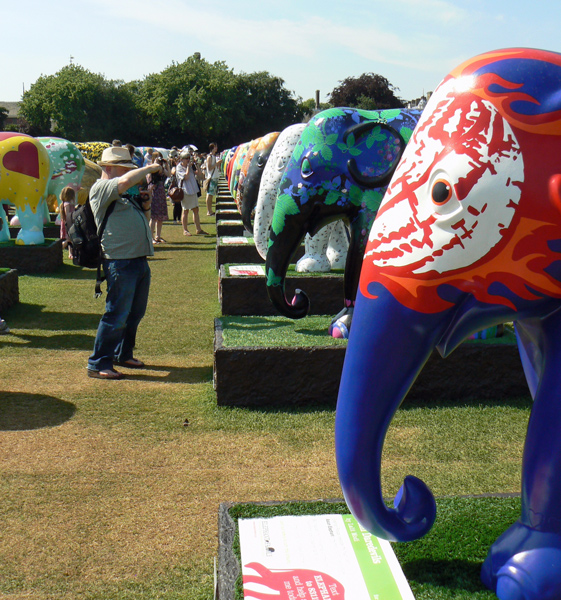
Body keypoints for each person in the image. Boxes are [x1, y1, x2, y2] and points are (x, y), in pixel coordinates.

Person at [86, 146, 163, 380]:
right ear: (108, 168)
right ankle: (98, 362)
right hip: (119, 261)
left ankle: (123, 353)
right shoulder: (101, 188)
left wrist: (146, 205)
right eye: (123, 168)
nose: (128, 173)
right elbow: (124, 182)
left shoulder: (124, 194)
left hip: (137, 260)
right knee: (117, 314)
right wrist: (149, 167)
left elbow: (144, 218)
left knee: (135, 313)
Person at [176, 152, 206, 236]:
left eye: (189, 158)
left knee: (196, 209)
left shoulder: (190, 166)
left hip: (193, 190)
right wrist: (188, 168)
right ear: (181, 159)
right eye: (186, 158)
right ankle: (185, 230)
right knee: (185, 211)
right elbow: (186, 177)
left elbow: (200, 175)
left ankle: (198, 229)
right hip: (185, 191)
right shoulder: (179, 167)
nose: (188, 160)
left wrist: (196, 165)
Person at [147, 151, 170, 243]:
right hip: (154, 191)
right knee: (153, 217)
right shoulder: (150, 167)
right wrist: (155, 164)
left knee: (160, 217)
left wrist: (166, 164)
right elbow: (148, 177)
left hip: (160, 192)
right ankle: (151, 237)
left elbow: (169, 175)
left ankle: (158, 236)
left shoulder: (161, 168)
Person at [59, 186, 77, 259]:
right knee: (69, 239)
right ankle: (60, 248)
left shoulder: (68, 204)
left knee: (70, 239)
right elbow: (67, 214)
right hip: (68, 224)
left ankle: (70, 253)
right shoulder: (67, 204)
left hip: (69, 223)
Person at [205, 143, 222, 216]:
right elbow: (209, 168)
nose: (216, 148)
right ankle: (209, 211)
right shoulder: (210, 157)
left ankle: (210, 210)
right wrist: (217, 163)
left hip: (214, 177)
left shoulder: (213, 156)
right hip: (211, 177)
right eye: (215, 147)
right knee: (209, 195)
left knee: (211, 195)